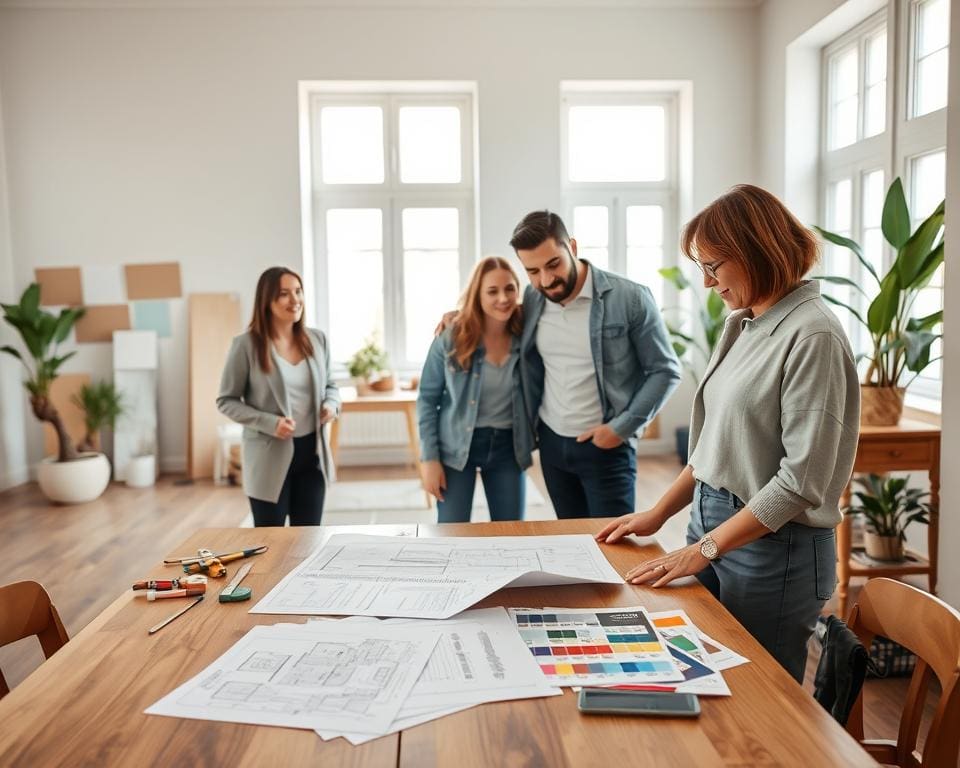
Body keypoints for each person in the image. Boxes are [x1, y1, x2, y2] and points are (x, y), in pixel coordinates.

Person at [596, 184, 860, 683]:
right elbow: (712, 444)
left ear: (757, 251)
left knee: (759, 699)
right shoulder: (742, 323)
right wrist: (658, 515)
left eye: (713, 265)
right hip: (713, 525)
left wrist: (706, 548)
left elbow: (801, 482)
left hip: (774, 549)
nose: (707, 281)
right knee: (707, 678)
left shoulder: (814, 335)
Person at [509, 211, 681, 519]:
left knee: (612, 549)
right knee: (571, 542)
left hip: (606, 447)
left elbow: (665, 370)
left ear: (572, 247)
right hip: (552, 443)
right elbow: (495, 318)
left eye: (553, 264)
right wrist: (456, 318)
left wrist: (620, 429)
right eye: (532, 271)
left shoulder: (630, 298)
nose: (546, 280)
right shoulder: (534, 299)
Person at [217, 267, 340, 526]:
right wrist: (270, 423)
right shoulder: (246, 345)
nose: (295, 300)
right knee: (270, 543)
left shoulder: (317, 340)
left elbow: (331, 385)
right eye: (284, 294)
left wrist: (330, 404)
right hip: (267, 460)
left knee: (308, 543)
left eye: (298, 291)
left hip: (312, 457)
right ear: (267, 300)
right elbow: (226, 401)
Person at [417, 256, 534, 523]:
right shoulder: (450, 338)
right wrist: (429, 460)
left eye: (510, 289)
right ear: (477, 295)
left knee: (511, 534)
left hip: (508, 446)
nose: (503, 298)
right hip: (456, 446)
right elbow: (426, 400)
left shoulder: (526, 333)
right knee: (451, 532)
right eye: (492, 291)